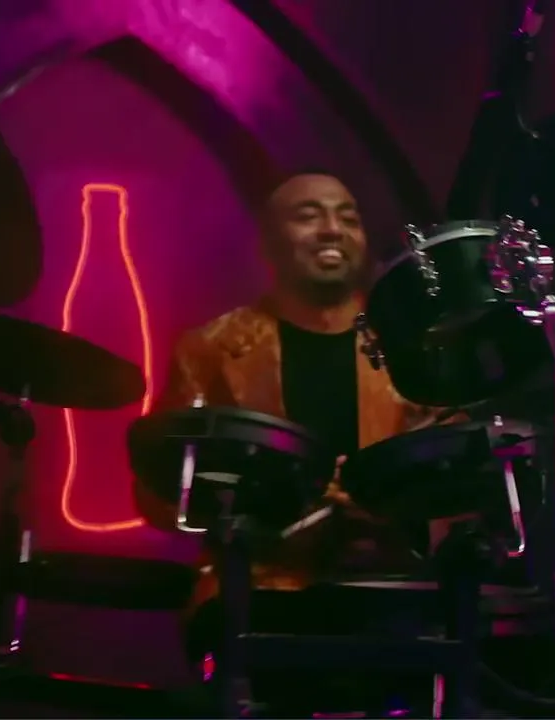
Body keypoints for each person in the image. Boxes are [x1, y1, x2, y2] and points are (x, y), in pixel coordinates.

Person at [131, 169, 450, 713]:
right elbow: (157, 494)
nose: (332, 229)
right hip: (258, 591)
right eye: (309, 215)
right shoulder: (212, 349)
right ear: (267, 244)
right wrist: (253, 508)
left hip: (387, 585)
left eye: (348, 217)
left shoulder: (413, 351)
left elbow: (457, 485)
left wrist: (392, 512)